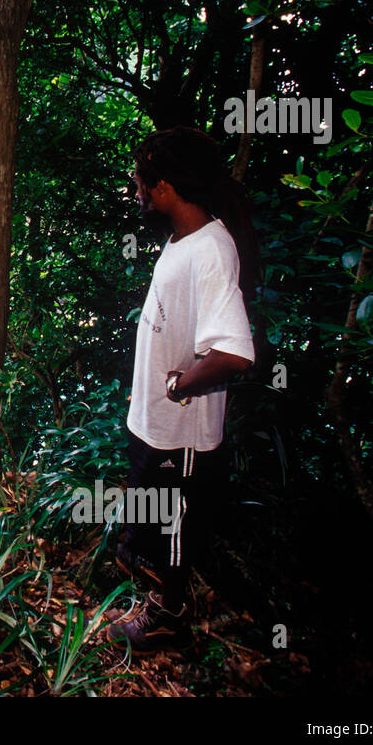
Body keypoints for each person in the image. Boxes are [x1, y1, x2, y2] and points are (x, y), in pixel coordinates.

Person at [105, 126, 258, 652]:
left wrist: (176, 385)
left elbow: (234, 352)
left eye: (141, 180)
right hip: (155, 425)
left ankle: (169, 618)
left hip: (182, 434)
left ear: (165, 186)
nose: (137, 189)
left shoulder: (211, 251)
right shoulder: (182, 239)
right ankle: (161, 602)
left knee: (172, 531)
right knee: (146, 532)